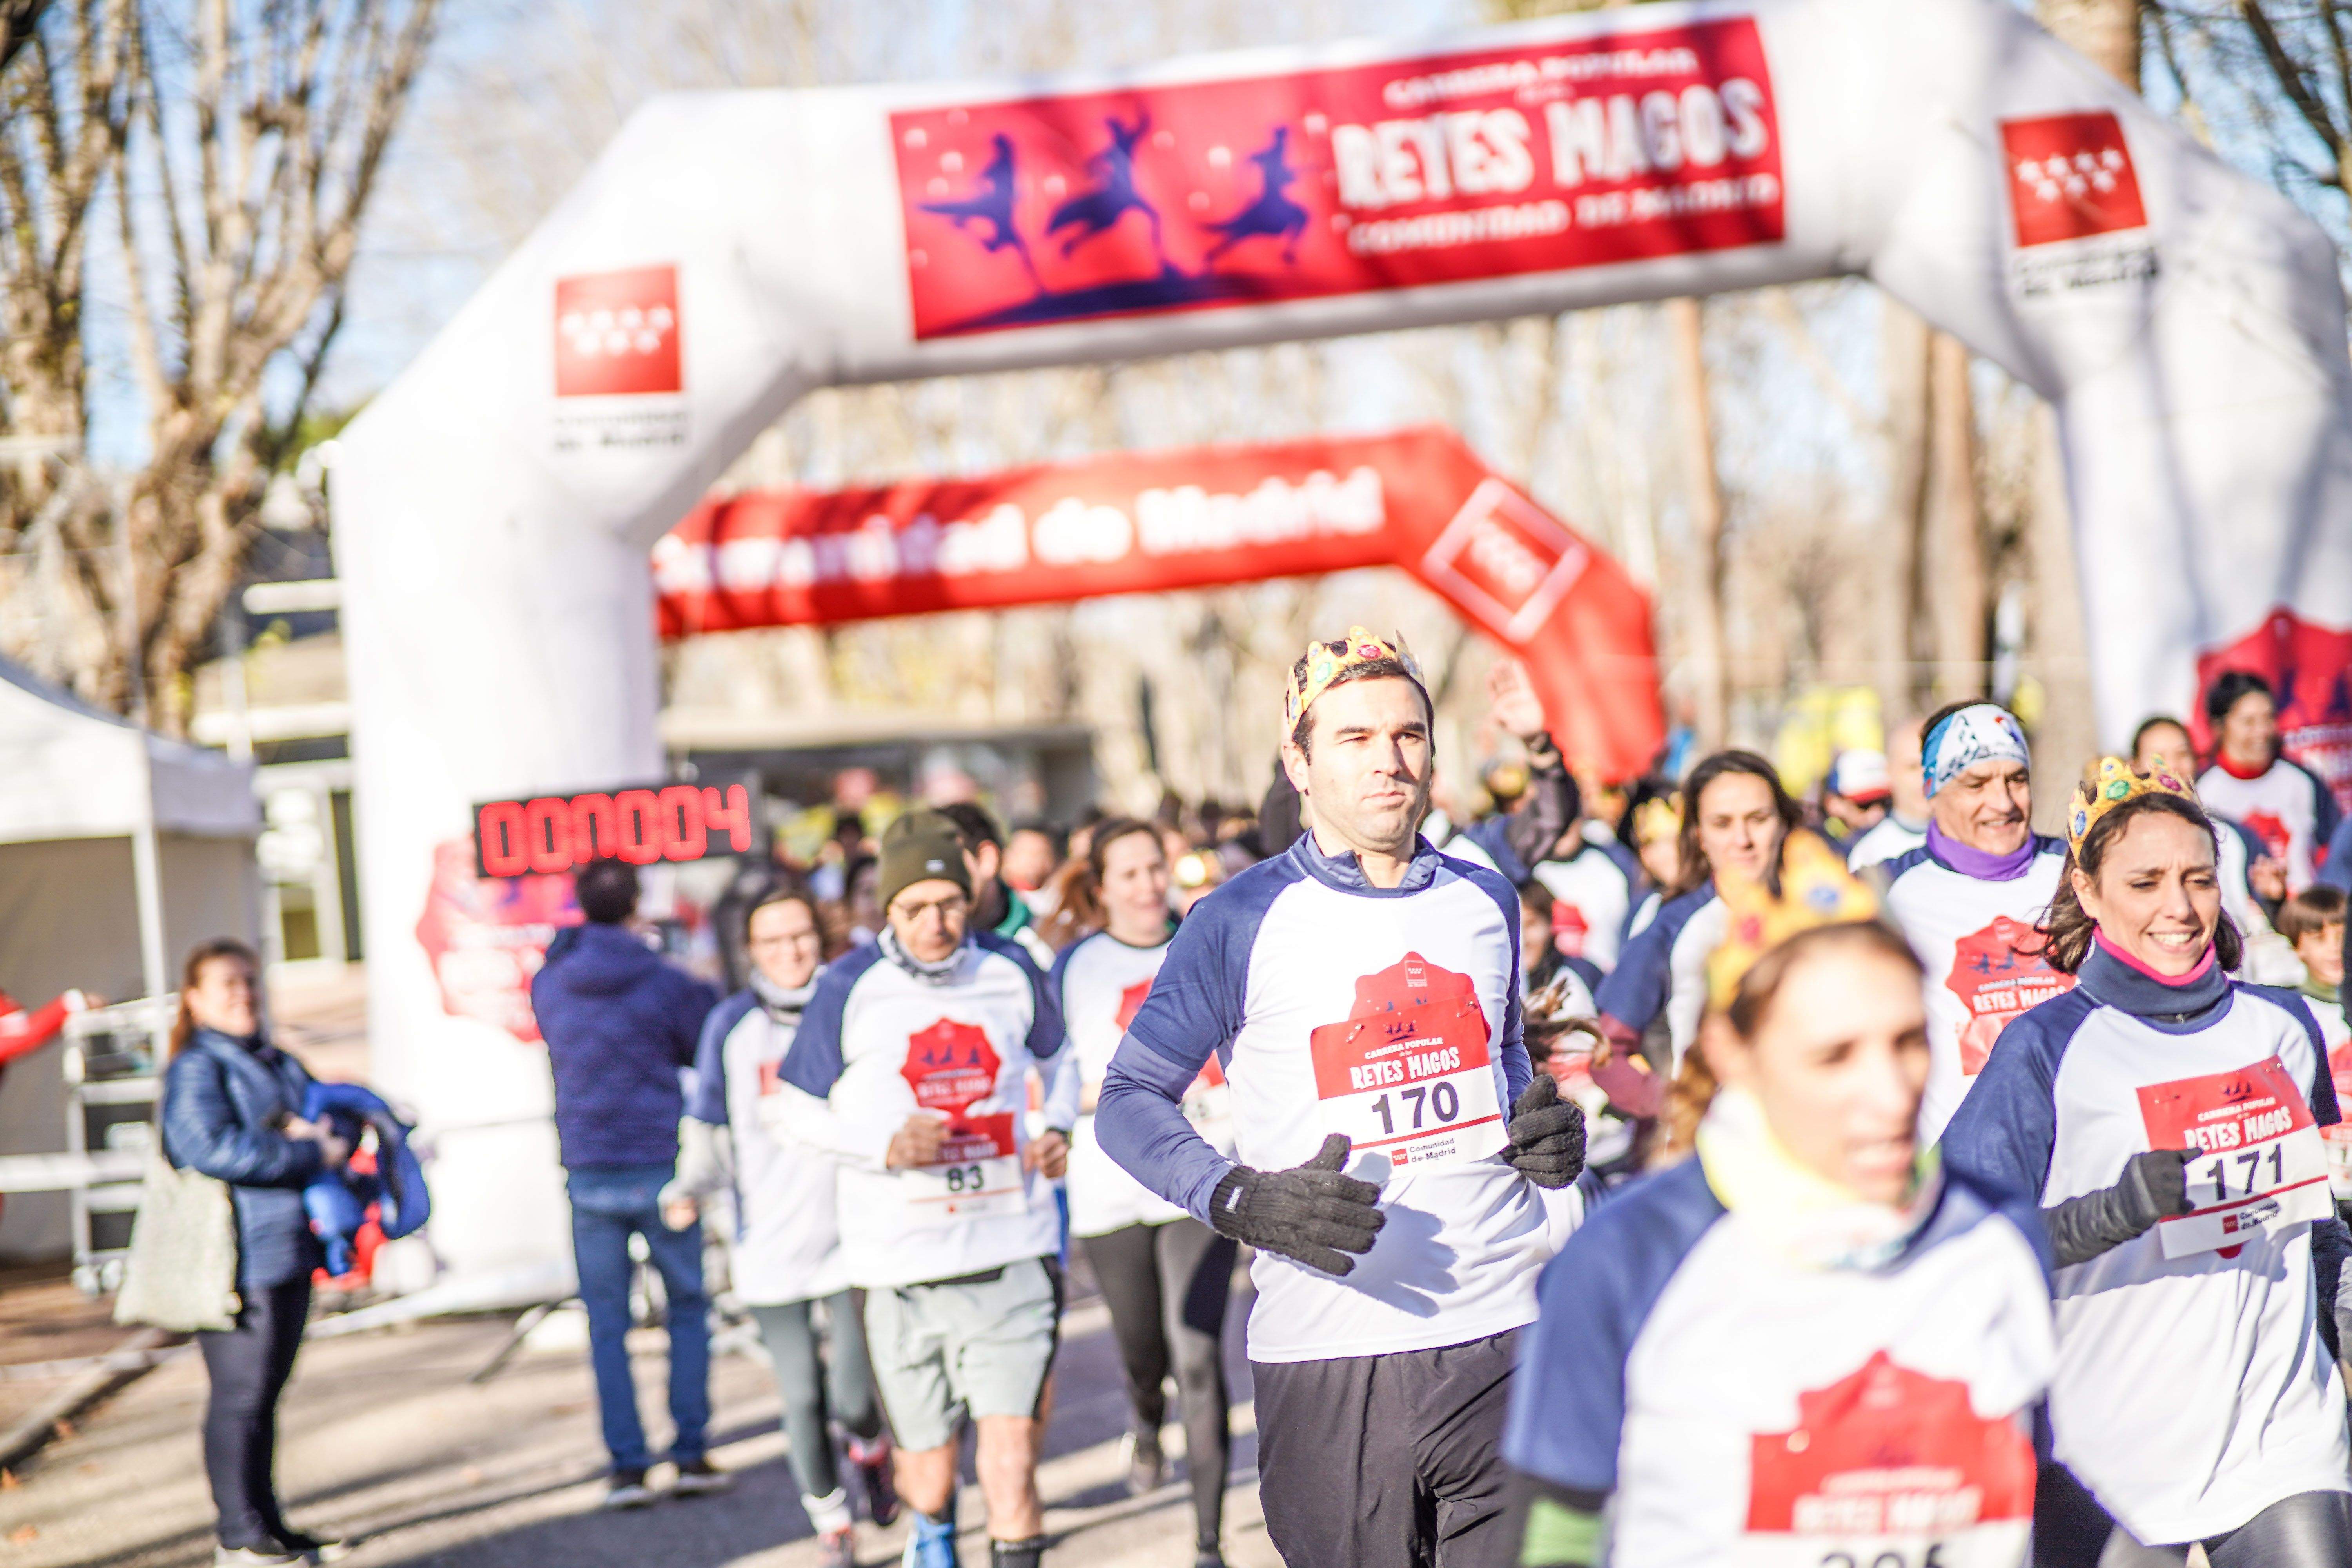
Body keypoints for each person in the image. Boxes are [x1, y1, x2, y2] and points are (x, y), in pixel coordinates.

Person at [1096, 626, 1589, 1568]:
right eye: (1354, 739)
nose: (1388, 761)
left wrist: (1544, 1129)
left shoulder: (1486, 898)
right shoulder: (1237, 918)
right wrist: (1237, 1197)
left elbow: (1509, 1066)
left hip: (1501, 1324)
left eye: (1407, 735)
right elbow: (1128, 1100)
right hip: (1332, 1350)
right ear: (1300, 762)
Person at [1505, 860, 2054, 1568]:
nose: (1890, 1094)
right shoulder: (1627, 1261)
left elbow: (2035, 1501)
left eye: (1909, 1042)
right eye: (1835, 1056)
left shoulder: (1999, 1235)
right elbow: (1555, 1542)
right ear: (1736, 1054)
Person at [1943, 760, 2352, 1566]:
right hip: (2105, 1457)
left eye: (2200, 878)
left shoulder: (2284, 1026)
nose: (2180, 906)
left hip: (2281, 1438)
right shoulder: (2046, 1047)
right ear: (2090, 893)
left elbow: (2317, 1231)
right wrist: (2114, 1209)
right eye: (2147, 881)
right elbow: (1956, 1241)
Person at [775, 811, 1076, 1568]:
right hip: (900, 1266)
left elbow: (1063, 1058)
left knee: (1009, 1469)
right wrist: (882, 1146)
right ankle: (932, 1530)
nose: (935, 924)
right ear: (887, 907)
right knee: (931, 1475)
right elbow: (794, 1109)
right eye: (915, 909)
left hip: (1010, 1249)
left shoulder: (1009, 969)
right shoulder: (850, 984)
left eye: (949, 903)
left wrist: (1058, 1128)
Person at [669, 888, 895, 1568]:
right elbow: (707, 1125)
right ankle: (833, 1525)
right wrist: (687, 1189)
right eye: (773, 943)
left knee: (854, 1396)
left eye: (801, 937)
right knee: (800, 1394)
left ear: (820, 937)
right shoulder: (732, 1026)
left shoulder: (852, 1007)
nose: (790, 952)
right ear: (751, 952)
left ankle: (871, 1450)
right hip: (768, 1239)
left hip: (853, 1235)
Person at [1049, 819, 1239, 1568]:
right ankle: (1144, 1417)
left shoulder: (1206, 943)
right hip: (1112, 1186)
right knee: (1143, 1352)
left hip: (1201, 1176)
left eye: (1154, 868)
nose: (1146, 885)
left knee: (1197, 1355)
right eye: (1127, 874)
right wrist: (1098, 1099)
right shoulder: (1076, 967)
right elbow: (1051, 1071)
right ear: (1101, 888)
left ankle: (1207, 1543)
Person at [528, 859, 723, 1509]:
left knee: (607, 1323)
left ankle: (627, 1465)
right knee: (688, 1309)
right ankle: (691, 1452)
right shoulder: (665, 980)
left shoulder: (553, 981)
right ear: (637, 903)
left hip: (589, 1166)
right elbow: (704, 1045)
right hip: (662, 1164)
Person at [160, 938, 352, 1567]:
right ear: (195, 999)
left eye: (250, 981)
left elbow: (330, 1115)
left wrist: (334, 1135)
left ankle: (269, 1524)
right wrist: (306, 1151)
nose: (245, 994)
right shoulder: (198, 1066)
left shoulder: (270, 1057)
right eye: (228, 985)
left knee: (266, 1393)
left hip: (288, 1245)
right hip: (237, 1257)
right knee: (239, 1395)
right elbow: (206, 1148)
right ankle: (238, 1536)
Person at [1877, 702, 2072, 1144]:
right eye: (1976, 783)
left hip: (2086, 1156)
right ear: (1932, 788)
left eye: (2016, 779)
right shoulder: (1886, 890)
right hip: (1967, 1170)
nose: (2002, 803)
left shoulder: (2081, 871)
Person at [1593, 751, 1805, 1075]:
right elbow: (1608, 1052)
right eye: (1722, 824)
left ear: (1785, 823)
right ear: (1698, 835)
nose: (1742, 840)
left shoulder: (1826, 910)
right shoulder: (1672, 924)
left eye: (1758, 819)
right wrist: (1671, 1107)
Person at [2132, 714, 2306, 983]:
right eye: (2158, 756)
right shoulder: (2121, 841)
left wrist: (2274, 898)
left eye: (2182, 754)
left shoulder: (2234, 836)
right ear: (2133, 766)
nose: (2171, 767)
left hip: (2231, 987)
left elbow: (2276, 923)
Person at [2197, 671, 2340, 895]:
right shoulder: (2203, 790)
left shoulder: (2302, 780)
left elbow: (2334, 855)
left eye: (2268, 718)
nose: (2263, 731)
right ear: (2220, 726)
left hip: (2302, 922)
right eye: (2249, 722)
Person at [940, 801, 1057, 967]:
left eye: (947, 864)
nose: (933, 882)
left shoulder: (1046, 943)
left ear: (987, 859)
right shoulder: (902, 947)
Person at [1845, 718, 1931, 873]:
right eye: (1912, 767)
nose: (1925, 777)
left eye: (1933, 765)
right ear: (1889, 772)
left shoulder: (1975, 838)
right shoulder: (1869, 853)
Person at [2279, 886, 2349, 1053]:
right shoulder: (2293, 1013)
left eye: (2344, 938)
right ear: (2296, 947)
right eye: (2319, 939)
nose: (2335, 948)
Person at [1818, 746, 1891, 843]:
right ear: (1834, 805)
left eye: (1886, 803)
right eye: (1865, 805)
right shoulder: (1817, 848)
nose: (1878, 814)